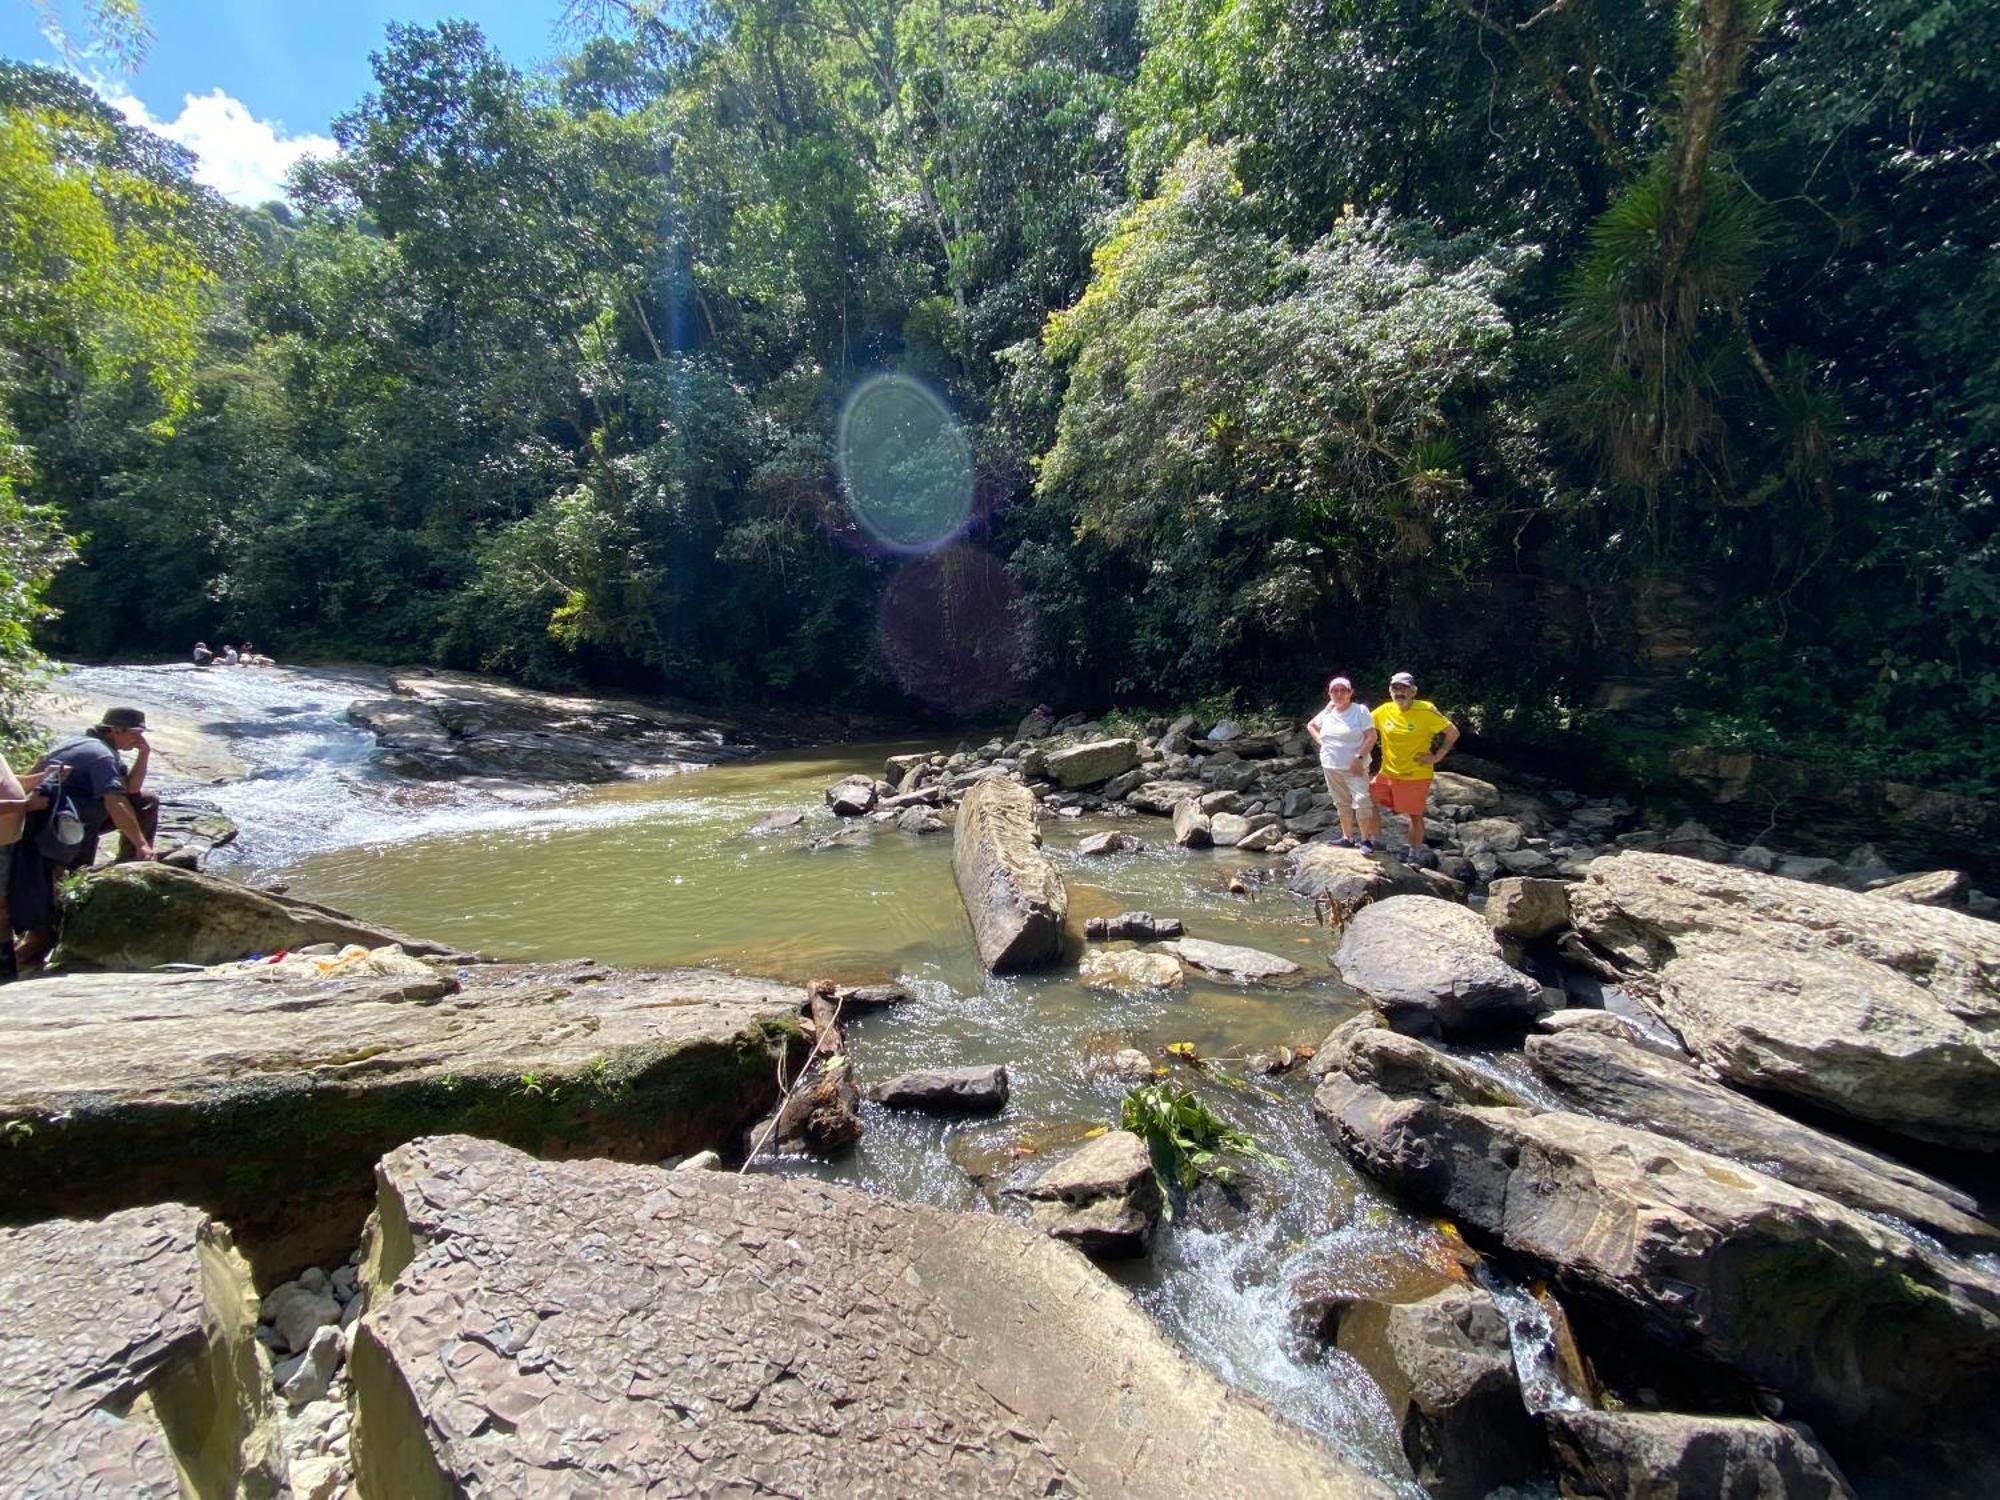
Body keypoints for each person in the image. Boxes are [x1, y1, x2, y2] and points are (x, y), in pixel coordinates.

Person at [12, 708, 159, 971]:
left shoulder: (87, 745)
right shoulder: (101, 756)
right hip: (53, 830)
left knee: (145, 802)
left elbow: (132, 791)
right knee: (50, 905)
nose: (138, 740)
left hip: (72, 822)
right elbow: (115, 801)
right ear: (115, 730)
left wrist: (144, 755)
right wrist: (141, 844)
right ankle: (24, 957)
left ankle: (125, 864)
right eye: (135, 734)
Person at [1369, 671, 1459, 866]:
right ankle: (1376, 842)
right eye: (1395, 688)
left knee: (1415, 815)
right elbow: (1361, 727)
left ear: (1413, 691)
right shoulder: (1384, 710)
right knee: (1366, 801)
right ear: (1390, 691)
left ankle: (1414, 853)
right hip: (1388, 773)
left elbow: (1453, 732)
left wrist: (1437, 756)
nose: (1399, 692)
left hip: (1416, 774)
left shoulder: (1426, 710)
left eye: (1404, 688)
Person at [1305, 676, 1379, 852]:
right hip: (1331, 765)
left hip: (1356, 766)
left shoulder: (1360, 711)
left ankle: (1366, 840)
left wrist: (1359, 757)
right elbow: (1311, 725)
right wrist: (1322, 742)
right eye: (1334, 690)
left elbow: (1372, 736)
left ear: (1350, 692)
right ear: (1330, 693)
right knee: (1341, 802)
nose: (1338, 694)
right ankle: (1347, 837)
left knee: (1362, 800)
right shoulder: (1328, 711)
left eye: (1342, 690)